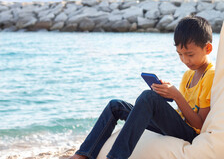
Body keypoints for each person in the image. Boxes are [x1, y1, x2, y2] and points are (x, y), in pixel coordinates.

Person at [70, 16, 215, 159]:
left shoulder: (210, 75)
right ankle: (83, 155)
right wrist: (166, 94)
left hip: (191, 133)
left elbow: (200, 125)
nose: (184, 60)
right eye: (180, 55)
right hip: (178, 124)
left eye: (190, 54)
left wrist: (176, 96)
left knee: (148, 97)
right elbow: (182, 109)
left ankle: (115, 157)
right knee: (116, 106)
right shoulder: (188, 75)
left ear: (207, 48)